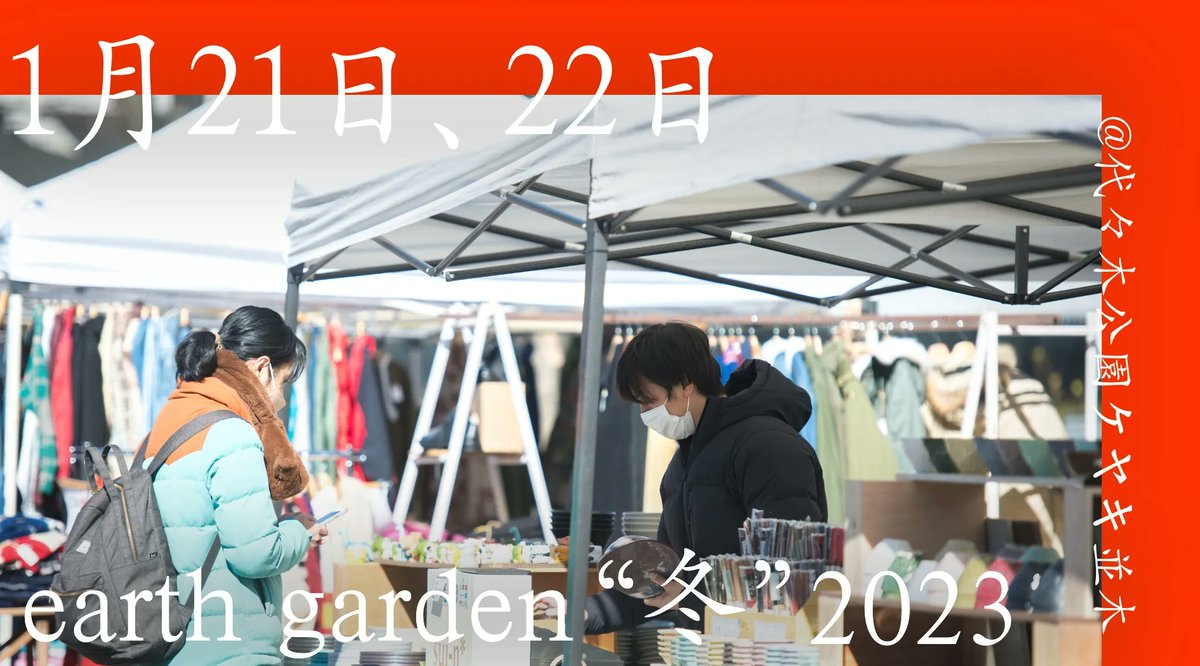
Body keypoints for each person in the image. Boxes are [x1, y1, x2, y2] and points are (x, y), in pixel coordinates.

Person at [581, 322, 827, 634]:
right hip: (710, 645)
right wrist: (586, 613)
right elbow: (664, 578)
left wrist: (691, 598)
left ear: (685, 384)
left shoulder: (769, 447)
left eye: (649, 401)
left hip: (767, 645)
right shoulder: (683, 464)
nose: (645, 414)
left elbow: (788, 573)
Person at [143, 306, 327, 665]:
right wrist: (299, 533)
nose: (282, 398)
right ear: (262, 367)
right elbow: (255, 555)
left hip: (167, 641)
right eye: (284, 382)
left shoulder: (165, 426)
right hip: (228, 647)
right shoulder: (232, 434)